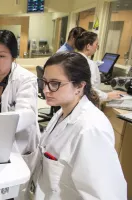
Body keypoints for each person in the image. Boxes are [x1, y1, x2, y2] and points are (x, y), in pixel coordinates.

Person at [30, 52, 126, 200]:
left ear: (79, 86)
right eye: (44, 82)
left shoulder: (91, 130)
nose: (46, 90)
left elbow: (105, 195)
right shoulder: (62, 113)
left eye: (55, 84)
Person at [0, 30, 40, 157]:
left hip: (19, 147)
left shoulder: (26, 79)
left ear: (13, 58)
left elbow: (26, 115)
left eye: (2, 56)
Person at [75, 31, 125, 100]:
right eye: (96, 44)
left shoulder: (73, 58)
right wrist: (107, 95)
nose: (96, 48)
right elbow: (89, 89)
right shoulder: (89, 64)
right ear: (88, 46)